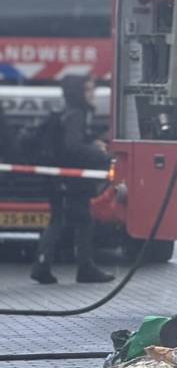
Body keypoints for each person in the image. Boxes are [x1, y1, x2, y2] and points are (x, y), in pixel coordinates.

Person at [30, 76, 113, 286]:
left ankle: (46, 265)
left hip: (60, 177)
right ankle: (78, 267)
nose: (92, 95)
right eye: (88, 90)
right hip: (70, 179)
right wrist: (100, 153)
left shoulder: (69, 112)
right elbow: (72, 146)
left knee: (64, 218)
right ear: (78, 93)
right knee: (76, 220)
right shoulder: (77, 114)